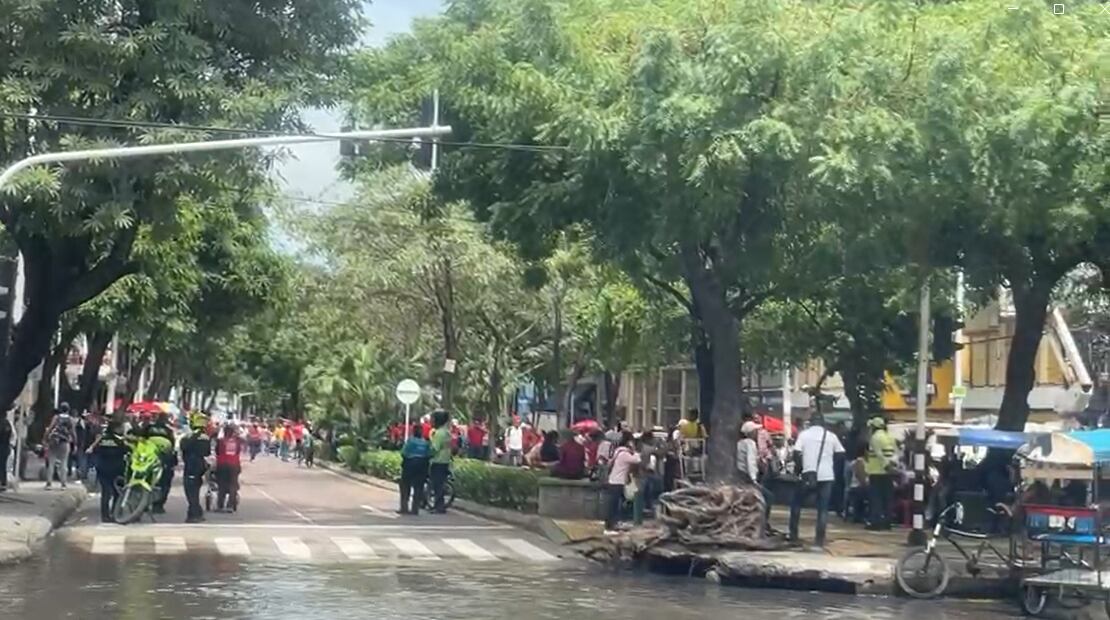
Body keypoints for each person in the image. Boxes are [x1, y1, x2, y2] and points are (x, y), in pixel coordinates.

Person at [788, 413, 845, 547]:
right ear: (823, 423)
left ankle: (793, 535)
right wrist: (831, 465)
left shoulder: (804, 435)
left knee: (796, 504)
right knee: (823, 509)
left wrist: (800, 468)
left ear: (811, 422)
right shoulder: (831, 436)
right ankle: (819, 539)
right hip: (827, 475)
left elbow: (796, 453)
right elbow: (841, 454)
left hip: (808, 473)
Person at [86, 420, 129, 522]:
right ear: (116, 428)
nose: (123, 429)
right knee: (117, 492)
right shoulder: (120, 440)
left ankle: (105, 516)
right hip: (116, 469)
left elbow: (95, 450)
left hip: (103, 468)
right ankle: (115, 513)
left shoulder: (102, 439)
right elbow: (126, 450)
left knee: (106, 492)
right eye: (121, 427)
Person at [865, 415, 897, 531]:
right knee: (887, 498)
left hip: (876, 471)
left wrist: (886, 465)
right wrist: (892, 466)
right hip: (888, 473)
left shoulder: (875, 438)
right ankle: (887, 522)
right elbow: (895, 453)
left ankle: (876, 522)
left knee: (876, 498)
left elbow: (879, 454)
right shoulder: (890, 437)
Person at [605, 431, 641, 534]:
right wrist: (635, 450)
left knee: (615, 504)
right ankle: (610, 527)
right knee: (614, 505)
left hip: (614, 480)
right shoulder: (624, 454)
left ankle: (614, 523)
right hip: (617, 482)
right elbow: (637, 460)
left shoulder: (618, 451)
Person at [738, 421, 773, 519]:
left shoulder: (740, 443)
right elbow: (750, 461)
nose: (757, 433)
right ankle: (763, 522)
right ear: (751, 432)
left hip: (741, 476)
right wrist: (754, 480)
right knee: (768, 497)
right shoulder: (750, 443)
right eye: (755, 431)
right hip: (748, 478)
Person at [179, 414, 212, 523]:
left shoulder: (187, 436)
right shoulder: (205, 438)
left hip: (190, 466)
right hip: (199, 466)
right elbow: (207, 453)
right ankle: (195, 512)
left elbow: (182, 448)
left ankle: (194, 514)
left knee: (190, 491)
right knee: (194, 490)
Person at [145, 412, 177, 514]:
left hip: (148, 458)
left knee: (147, 481)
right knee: (164, 483)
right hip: (164, 460)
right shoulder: (168, 431)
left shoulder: (148, 428)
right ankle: (158, 506)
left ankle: (144, 504)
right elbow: (172, 446)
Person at [399, 423, 431, 515]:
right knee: (418, 487)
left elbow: (404, 453)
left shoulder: (411, 441)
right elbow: (429, 454)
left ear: (413, 431)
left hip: (410, 465)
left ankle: (404, 507)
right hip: (422, 466)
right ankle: (415, 509)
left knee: (405, 486)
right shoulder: (425, 443)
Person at [44, 404, 76, 489]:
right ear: (68, 410)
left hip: (54, 442)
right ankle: (63, 484)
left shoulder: (56, 417)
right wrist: (75, 443)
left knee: (51, 463)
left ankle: (49, 484)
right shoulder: (71, 419)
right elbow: (73, 432)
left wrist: (45, 439)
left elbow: (50, 428)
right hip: (65, 442)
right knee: (64, 463)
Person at [428, 410, 453, 513]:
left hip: (437, 461)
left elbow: (434, 449)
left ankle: (439, 507)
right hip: (445, 461)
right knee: (441, 484)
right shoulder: (447, 432)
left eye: (432, 419)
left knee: (437, 485)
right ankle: (439, 506)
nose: (431, 421)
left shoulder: (438, 434)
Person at [215, 423, 243, 512]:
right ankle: (230, 505)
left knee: (221, 484)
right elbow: (238, 451)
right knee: (233, 485)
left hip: (222, 464)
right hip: (234, 464)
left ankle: (220, 505)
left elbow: (217, 451)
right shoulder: (237, 441)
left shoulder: (220, 441)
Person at [0, 412, 12, 491]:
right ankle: (3, 482)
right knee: (3, 466)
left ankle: (3, 482)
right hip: (6, 446)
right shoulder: (7, 424)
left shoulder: (2, 423)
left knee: (1, 465)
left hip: (2, 446)